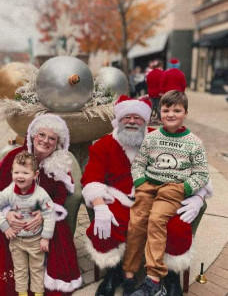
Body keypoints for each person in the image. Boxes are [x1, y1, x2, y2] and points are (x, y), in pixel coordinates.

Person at [81, 94, 212, 296]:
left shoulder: (159, 137)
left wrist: (198, 197)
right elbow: (91, 179)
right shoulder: (104, 145)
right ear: (118, 119)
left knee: (176, 225)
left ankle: (170, 273)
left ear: (146, 120)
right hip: (120, 197)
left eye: (138, 117)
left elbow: (200, 172)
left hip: (165, 196)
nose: (132, 121)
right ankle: (114, 270)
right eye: (127, 117)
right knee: (110, 223)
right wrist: (99, 205)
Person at [0, 114, 82, 296]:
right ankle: (12, 286)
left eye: (52, 138)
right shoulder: (14, 158)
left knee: (57, 232)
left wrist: (44, 215)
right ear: (32, 135)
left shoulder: (59, 164)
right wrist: (7, 214)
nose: (46, 141)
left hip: (44, 215)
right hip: (14, 214)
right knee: (3, 233)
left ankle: (45, 285)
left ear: (58, 143)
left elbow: (60, 197)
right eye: (42, 135)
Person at [122, 90, 209, 295]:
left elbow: (202, 173)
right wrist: (141, 182)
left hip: (172, 189)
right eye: (166, 109)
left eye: (176, 110)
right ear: (159, 112)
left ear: (185, 113)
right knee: (136, 222)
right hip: (148, 185)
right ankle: (129, 272)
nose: (171, 114)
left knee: (156, 220)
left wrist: (185, 188)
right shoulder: (152, 138)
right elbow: (139, 163)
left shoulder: (194, 142)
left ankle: (153, 277)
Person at [0, 151, 56, 296]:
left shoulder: (41, 194)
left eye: (25, 173)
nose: (20, 176)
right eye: (16, 172)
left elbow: (50, 213)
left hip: (36, 240)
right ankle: (22, 293)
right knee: (20, 270)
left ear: (35, 174)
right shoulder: (8, 193)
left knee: (37, 269)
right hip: (16, 241)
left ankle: (38, 293)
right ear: (12, 172)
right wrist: (5, 227)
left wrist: (46, 237)